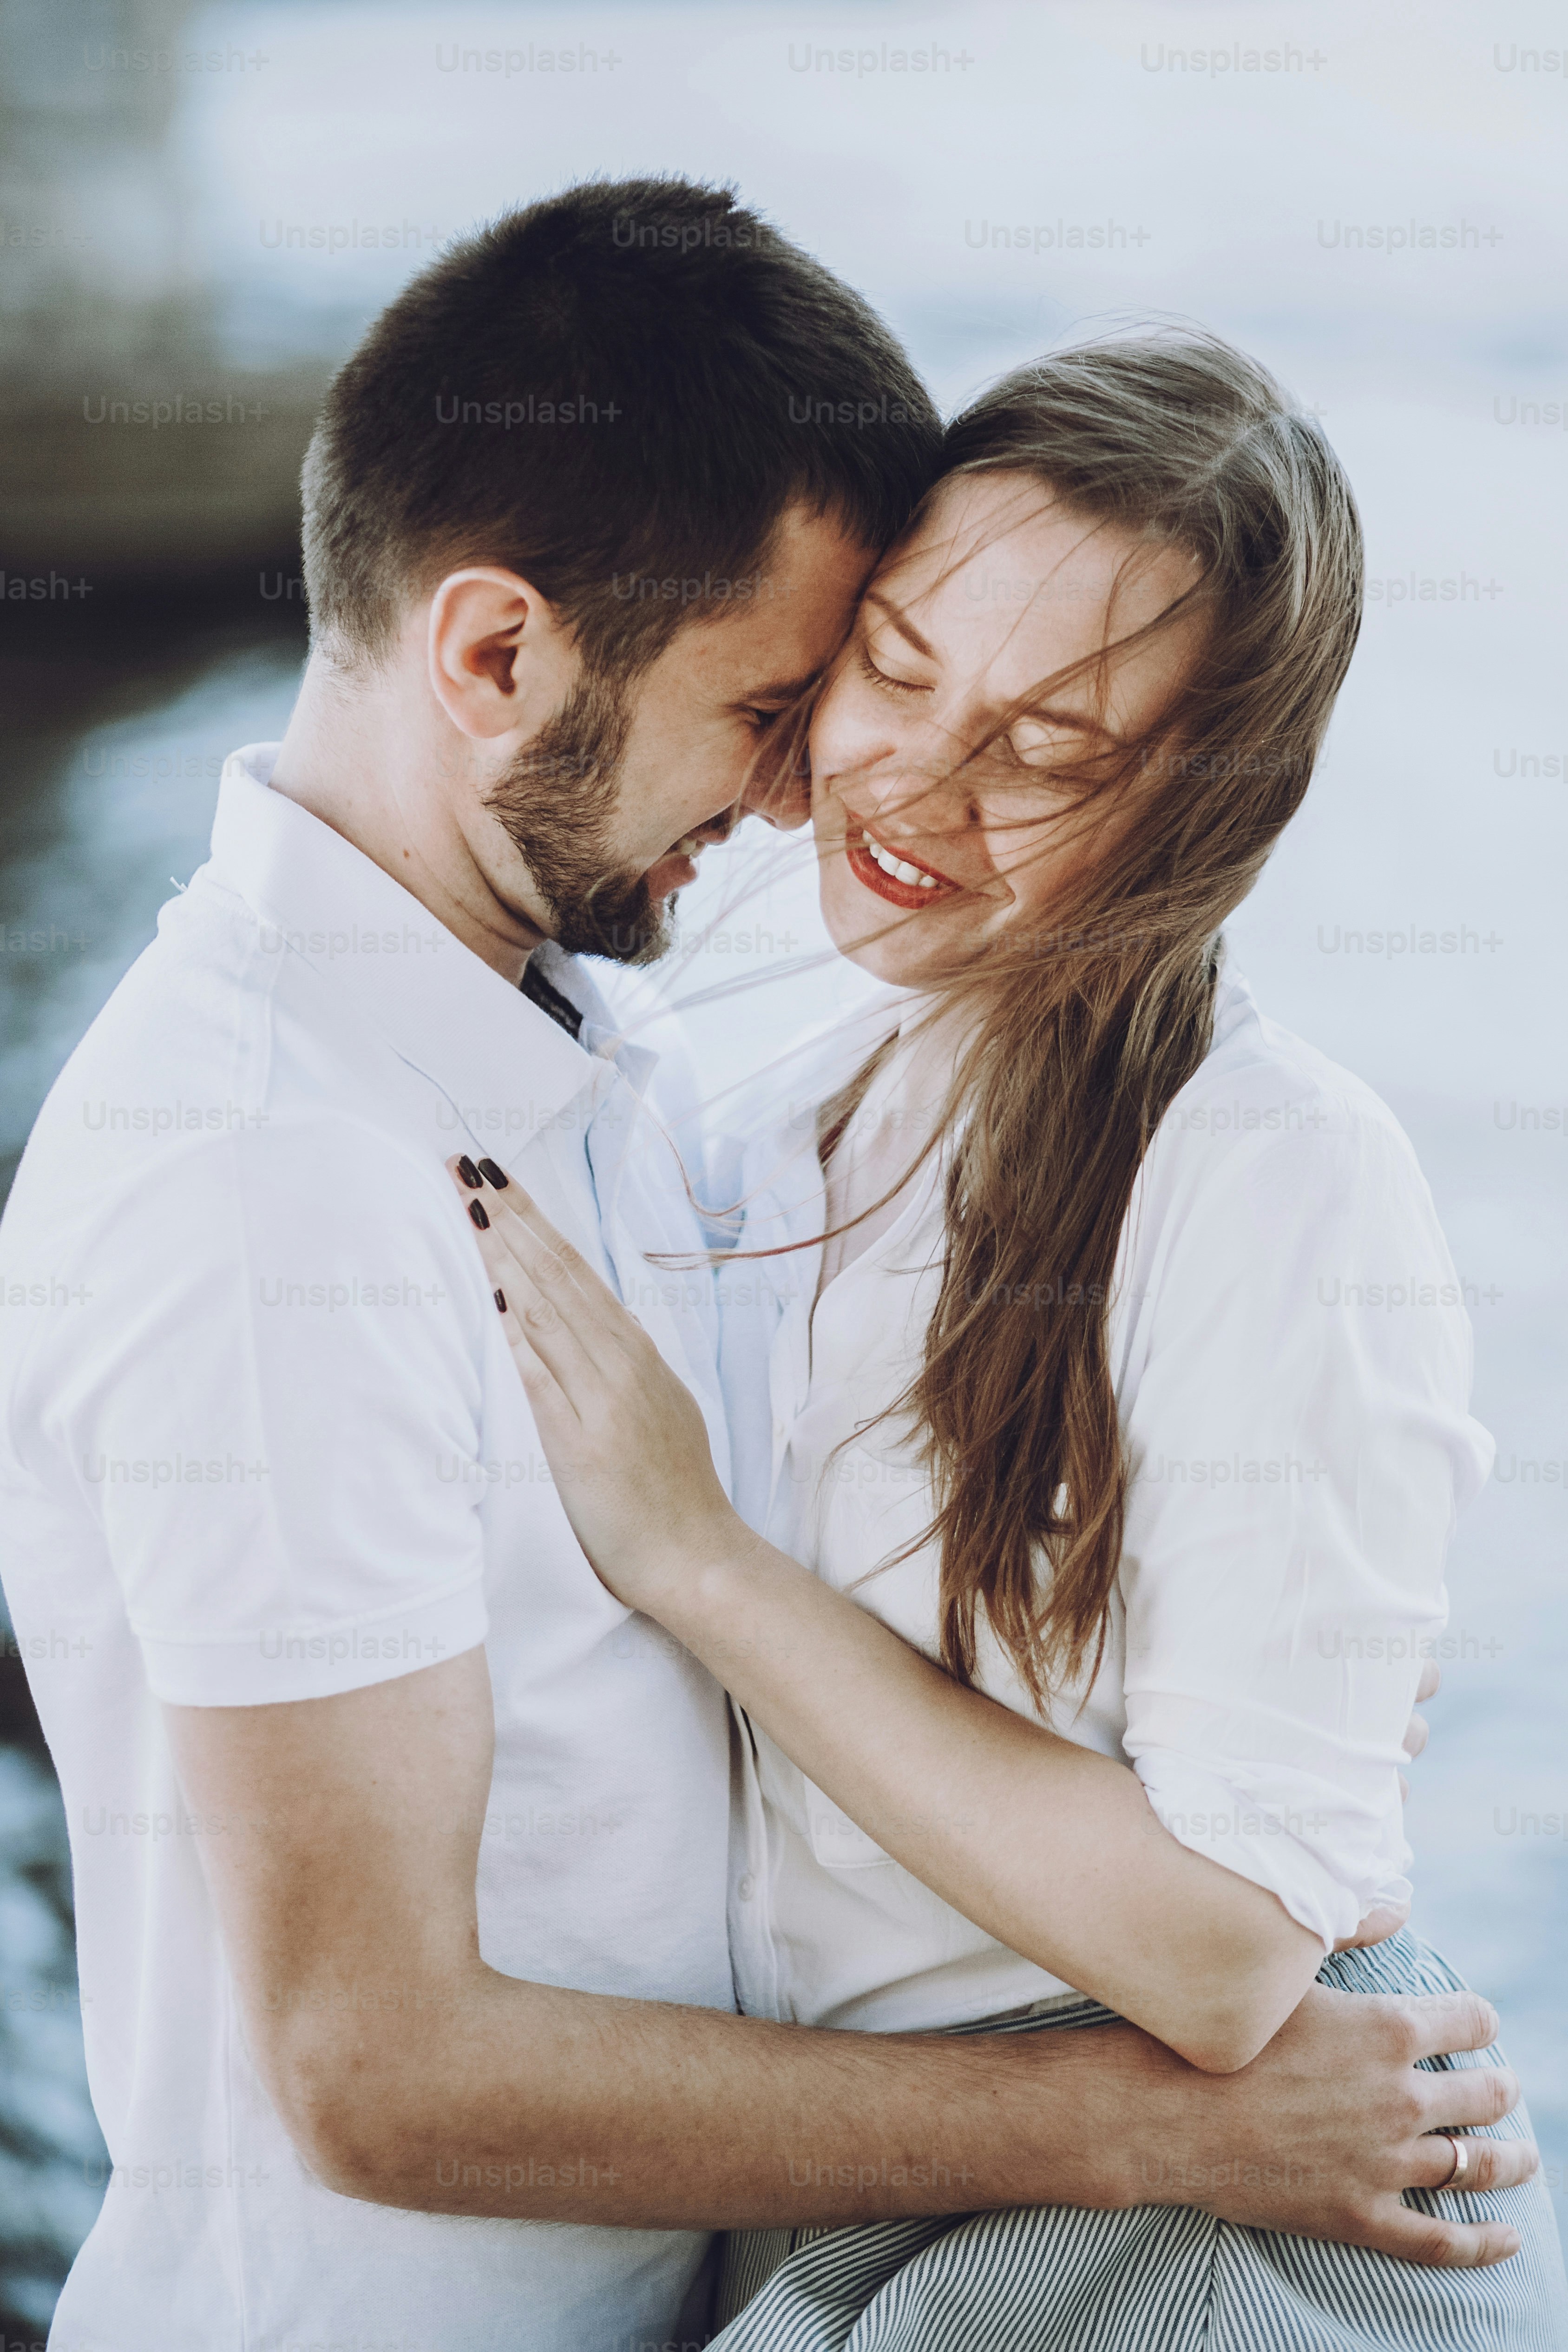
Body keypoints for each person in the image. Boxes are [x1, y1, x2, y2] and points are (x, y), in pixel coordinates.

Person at [0, 186, 1538, 2351]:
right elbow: (376, 2070)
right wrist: (1147, 2124)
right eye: (813, 691)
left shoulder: (632, 1069)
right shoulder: (268, 1180)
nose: (832, 775)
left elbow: (1205, 1848)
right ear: (497, 656)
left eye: (1052, 744)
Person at [448, 328, 1568, 2347]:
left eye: (1049, 754)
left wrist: (695, 1557)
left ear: (1206, 807)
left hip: (1178, 2215)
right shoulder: (774, 1097)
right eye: (893, 666)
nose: (921, 785)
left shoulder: (1269, 1169)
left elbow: (1229, 1958)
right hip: (897, 2183)